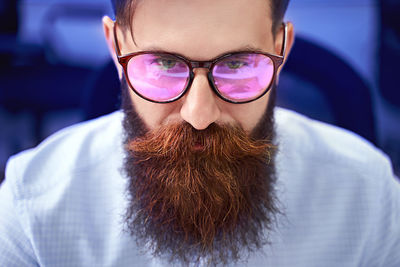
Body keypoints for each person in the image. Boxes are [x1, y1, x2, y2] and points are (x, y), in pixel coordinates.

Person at [0, 0, 399, 266]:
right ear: (115, 47)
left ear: (282, 49)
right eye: (164, 63)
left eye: (240, 64)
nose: (200, 115)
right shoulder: (34, 211)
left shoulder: (367, 199)